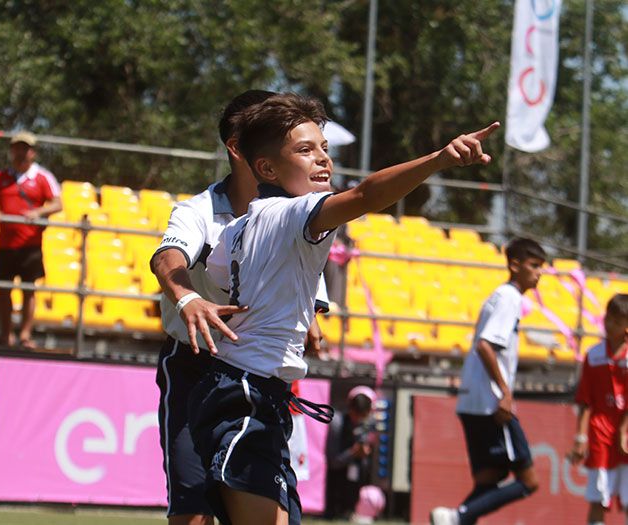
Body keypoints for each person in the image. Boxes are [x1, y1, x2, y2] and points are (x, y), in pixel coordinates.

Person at [190, 92, 500, 525]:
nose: (322, 160)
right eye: (304, 150)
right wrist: (438, 160)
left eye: (324, 149)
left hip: (247, 390)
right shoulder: (294, 212)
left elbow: (233, 276)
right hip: (247, 393)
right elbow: (367, 195)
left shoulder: (240, 226)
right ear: (266, 168)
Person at [149, 90, 327, 525]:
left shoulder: (290, 214)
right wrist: (188, 297)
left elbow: (305, 290)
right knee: (193, 514)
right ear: (239, 146)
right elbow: (165, 258)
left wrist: (311, 320)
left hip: (255, 378)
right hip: (194, 368)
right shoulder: (199, 212)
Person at [430, 237, 547, 525]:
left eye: (541, 267)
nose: (539, 273)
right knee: (529, 481)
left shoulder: (500, 296)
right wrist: (505, 392)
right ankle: (456, 517)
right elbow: (485, 345)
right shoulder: (510, 297)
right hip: (491, 403)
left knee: (489, 479)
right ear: (514, 265)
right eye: (534, 266)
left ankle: (457, 519)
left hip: (473, 400)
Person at [0, 131, 62, 348]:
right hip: (6, 245)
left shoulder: (42, 177)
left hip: (31, 245)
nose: (20, 153)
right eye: (17, 148)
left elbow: (58, 203)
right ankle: (5, 334)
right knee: (3, 292)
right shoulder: (2, 177)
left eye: (25, 149)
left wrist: (38, 212)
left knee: (29, 290)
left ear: (32, 152)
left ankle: (25, 335)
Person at [570, 294, 628, 525]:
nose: (608, 324)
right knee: (597, 500)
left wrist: (625, 430)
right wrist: (580, 437)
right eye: (607, 318)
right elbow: (585, 401)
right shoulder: (593, 356)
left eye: (616, 321)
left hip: (625, 437)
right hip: (600, 434)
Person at [324, 386, 376, 520]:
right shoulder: (337, 423)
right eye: (356, 415)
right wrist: (353, 452)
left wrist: (364, 452)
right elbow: (333, 461)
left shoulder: (368, 424)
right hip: (336, 475)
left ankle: (350, 510)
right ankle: (335, 511)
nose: (358, 420)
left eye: (363, 416)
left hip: (354, 473)